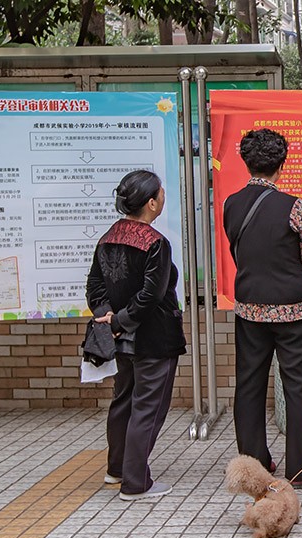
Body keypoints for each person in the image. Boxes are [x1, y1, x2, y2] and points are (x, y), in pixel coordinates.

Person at [223, 128, 302, 488]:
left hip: (250, 309)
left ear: (246, 162)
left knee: (249, 384)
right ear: (281, 165)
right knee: (296, 385)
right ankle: (300, 468)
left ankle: (253, 466)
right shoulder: (292, 205)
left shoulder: (231, 204)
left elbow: (241, 252)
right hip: (294, 310)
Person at [86, 170, 186, 501]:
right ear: (151, 202)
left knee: (123, 401)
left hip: (118, 340)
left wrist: (108, 318)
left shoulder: (107, 238)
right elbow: (152, 294)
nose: (163, 200)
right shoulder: (155, 243)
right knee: (148, 407)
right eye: (161, 195)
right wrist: (122, 321)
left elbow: (94, 287)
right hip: (154, 337)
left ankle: (116, 470)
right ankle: (135, 482)